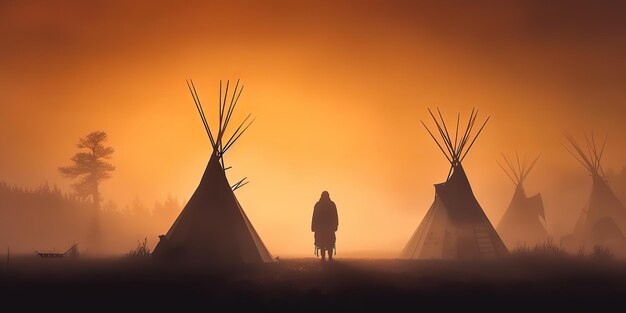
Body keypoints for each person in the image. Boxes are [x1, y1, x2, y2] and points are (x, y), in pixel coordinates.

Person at [311, 191, 338, 261]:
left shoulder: (318, 205)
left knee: (324, 242)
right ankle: (327, 257)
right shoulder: (331, 204)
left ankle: (326, 257)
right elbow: (335, 216)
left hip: (322, 228)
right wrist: (335, 225)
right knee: (328, 242)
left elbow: (314, 217)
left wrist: (313, 227)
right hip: (326, 228)